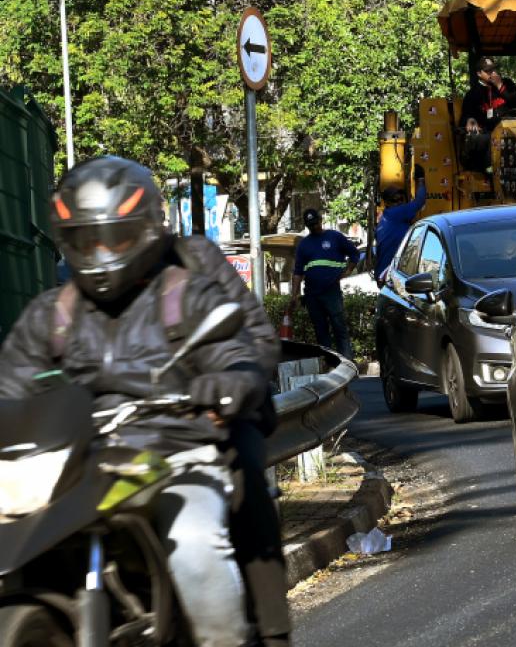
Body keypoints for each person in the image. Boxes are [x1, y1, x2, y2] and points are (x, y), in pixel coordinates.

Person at [0, 155, 289, 647]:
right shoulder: (51, 314)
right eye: (85, 240)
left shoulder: (189, 288)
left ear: (149, 227)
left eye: (115, 237)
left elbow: (240, 346)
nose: (100, 253)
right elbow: (10, 386)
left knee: (197, 546)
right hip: (81, 465)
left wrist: (232, 381)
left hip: (178, 450)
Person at [289, 208, 357, 358]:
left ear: (320, 220)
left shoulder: (335, 237)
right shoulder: (304, 245)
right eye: (310, 225)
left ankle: (348, 363)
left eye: (315, 223)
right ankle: (330, 364)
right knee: (321, 332)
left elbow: (354, 253)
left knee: (339, 328)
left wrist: (348, 271)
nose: (314, 227)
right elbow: (298, 272)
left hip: (331, 291)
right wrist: (294, 295)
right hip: (312, 295)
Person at [460, 58, 516, 172]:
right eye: (488, 70)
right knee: (484, 139)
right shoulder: (472, 94)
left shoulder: (506, 84)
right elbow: (465, 117)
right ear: (479, 73)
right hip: (488, 134)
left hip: (511, 131)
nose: (493, 73)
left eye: (494, 69)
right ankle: (491, 171)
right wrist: (470, 120)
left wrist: (500, 86)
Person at [375, 171, 426, 285]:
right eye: (395, 200)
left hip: (383, 274)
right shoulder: (396, 213)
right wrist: (421, 180)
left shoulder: (383, 220)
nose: (399, 203)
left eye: (401, 199)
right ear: (387, 203)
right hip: (390, 275)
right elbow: (419, 201)